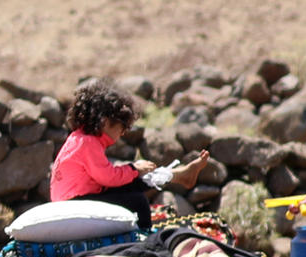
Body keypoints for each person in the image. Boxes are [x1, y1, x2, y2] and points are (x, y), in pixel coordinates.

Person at [50, 83, 207, 226]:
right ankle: (146, 238)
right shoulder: (88, 143)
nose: (123, 133)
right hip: (76, 202)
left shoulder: (79, 138)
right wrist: (134, 169)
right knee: (137, 199)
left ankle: (178, 175)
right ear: (105, 122)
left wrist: (133, 171)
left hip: (80, 196)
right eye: (121, 127)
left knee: (131, 183)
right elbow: (108, 177)